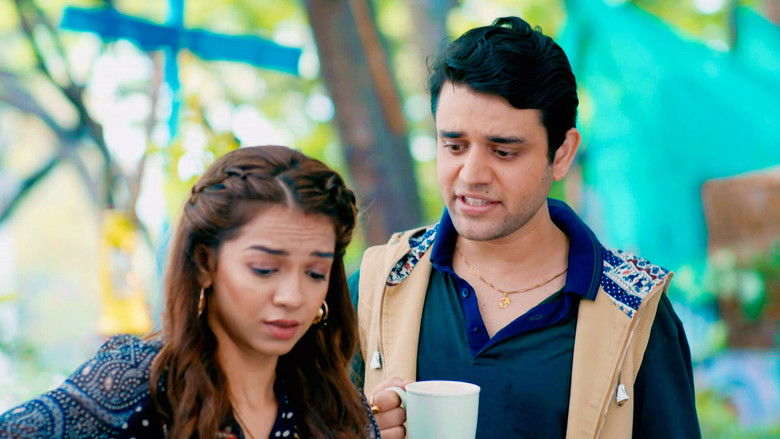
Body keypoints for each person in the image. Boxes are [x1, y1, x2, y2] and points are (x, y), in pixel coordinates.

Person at [349, 17, 700, 439]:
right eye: (454, 146)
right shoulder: (377, 287)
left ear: (562, 153)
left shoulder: (634, 311)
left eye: (503, 151)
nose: (471, 174)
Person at [0, 146, 380, 439]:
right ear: (204, 264)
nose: (292, 296)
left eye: (315, 273)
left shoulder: (338, 409)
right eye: (264, 269)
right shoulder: (137, 383)